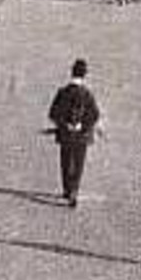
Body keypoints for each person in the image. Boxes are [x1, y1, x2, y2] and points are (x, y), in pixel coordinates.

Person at [47, 58, 101, 207]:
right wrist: (83, 126)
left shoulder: (63, 92)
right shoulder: (87, 94)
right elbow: (95, 114)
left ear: (71, 73)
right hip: (82, 136)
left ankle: (66, 188)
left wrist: (64, 125)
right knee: (78, 163)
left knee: (65, 161)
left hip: (65, 134)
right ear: (85, 75)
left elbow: (53, 113)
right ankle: (74, 189)